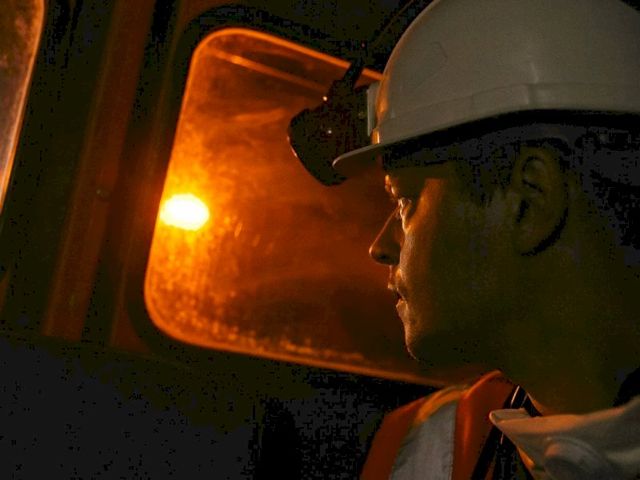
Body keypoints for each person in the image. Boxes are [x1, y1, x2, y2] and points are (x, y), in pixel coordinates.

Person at [325, 0, 640, 478]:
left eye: (406, 201)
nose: (381, 247)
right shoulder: (424, 445)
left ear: (529, 199)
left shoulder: (431, 453)